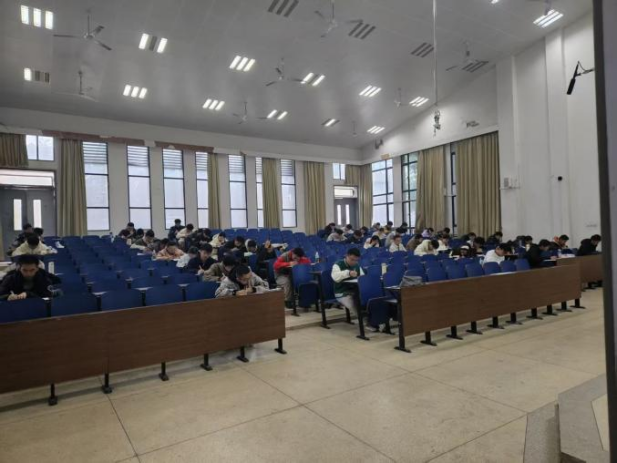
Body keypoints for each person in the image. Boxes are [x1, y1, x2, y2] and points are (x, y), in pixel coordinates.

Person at [331, 248, 364, 317]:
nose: (354, 262)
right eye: (352, 259)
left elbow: (362, 277)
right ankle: (364, 319)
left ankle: (370, 318)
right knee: (354, 305)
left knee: (366, 300)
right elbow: (335, 277)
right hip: (342, 292)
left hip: (355, 291)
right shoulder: (337, 265)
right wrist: (348, 273)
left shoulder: (357, 265)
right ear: (347, 256)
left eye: (356, 260)